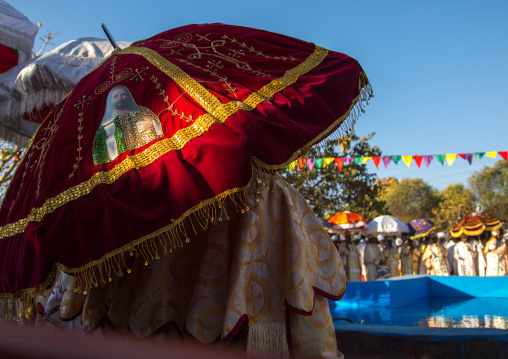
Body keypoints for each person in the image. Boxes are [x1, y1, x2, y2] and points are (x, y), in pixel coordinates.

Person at [93, 85, 164, 165]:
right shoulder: (105, 127)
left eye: (123, 94)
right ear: (110, 101)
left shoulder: (142, 110)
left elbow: (159, 126)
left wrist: (152, 123)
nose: (120, 98)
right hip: (124, 164)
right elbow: (100, 153)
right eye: (115, 96)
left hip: (153, 155)